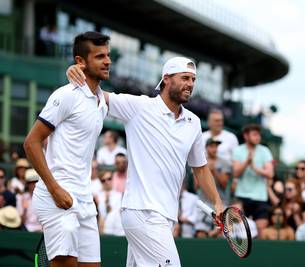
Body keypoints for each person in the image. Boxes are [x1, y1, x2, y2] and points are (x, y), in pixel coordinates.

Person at [67, 56, 224, 267]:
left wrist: (217, 201)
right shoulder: (139, 107)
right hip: (142, 212)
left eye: (193, 80)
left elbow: (201, 169)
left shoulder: (193, 123)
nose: (190, 84)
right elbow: (96, 96)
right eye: (185, 78)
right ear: (167, 79)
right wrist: (77, 76)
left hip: (166, 216)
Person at [24, 31, 111, 267]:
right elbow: (31, 143)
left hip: (84, 200)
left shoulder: (101, 101)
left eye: (108, 55)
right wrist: (55, 189)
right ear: (80, 62)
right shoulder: (65, 95)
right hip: (57, 198)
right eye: (100, 56)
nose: (107, 61)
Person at [232, 123, 274, 238]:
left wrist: (254, 167)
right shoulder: (238, 151)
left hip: (260, 197)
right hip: (241, 196)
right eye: (254, 134)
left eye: (258, 134)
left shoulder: (265, 151)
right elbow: (235, 173)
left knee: (261, 229)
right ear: (246, 136)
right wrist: (246, 162)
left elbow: (270, 173)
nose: (258, 137)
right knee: (237, 227)